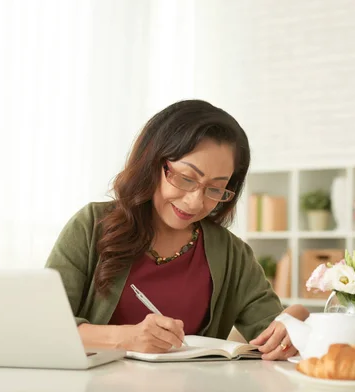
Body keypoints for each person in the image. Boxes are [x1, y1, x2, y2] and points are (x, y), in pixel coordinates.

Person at [45, 99, 309, 361]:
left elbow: (271, 336)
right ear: (152, 162)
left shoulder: (231, 253)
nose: (195, 202)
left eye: (215, 188)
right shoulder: (92, 226)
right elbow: (46, 327)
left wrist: (294, 319)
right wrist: (126, 338)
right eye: (185, 178)